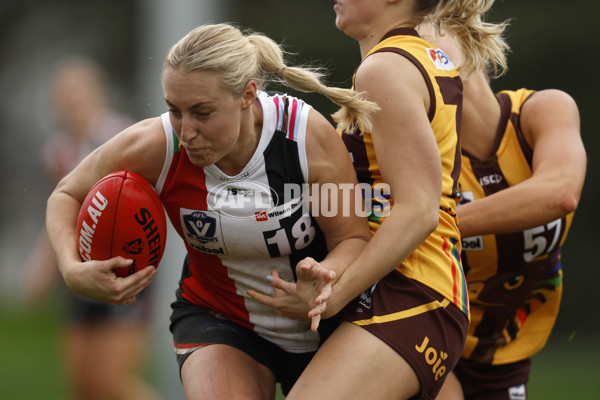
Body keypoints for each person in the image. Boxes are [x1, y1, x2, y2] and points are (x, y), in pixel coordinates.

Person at [45, 23, 377, 399]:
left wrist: (322, 288)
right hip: (222, 319)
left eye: (202, 112)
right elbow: (67, 193)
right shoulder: (158, 145)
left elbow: (352, 238)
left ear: (248, 94)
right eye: (174, 110)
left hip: (329, 322)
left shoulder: (304, 136)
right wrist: (72, 270)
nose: (186, 131)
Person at [263, 1, 510, 399]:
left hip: (413, 288)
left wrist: (332, 297)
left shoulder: (384, 69)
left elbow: (420, 210)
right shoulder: (420, 57)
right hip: (419, 287)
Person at [415, 24, 587, 400]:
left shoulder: (542, 110)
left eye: (420, 33)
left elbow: (559, 192)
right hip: (422, 333)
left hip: (501, 351)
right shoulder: (416, 151)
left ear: (465, 35)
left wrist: (427, 221)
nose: (407, 54)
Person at [22, 56, 161, 400]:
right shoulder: (58, 150)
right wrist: (43, 267)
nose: (71, 104)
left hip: (125, 271)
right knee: (83, 388)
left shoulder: (121, 137)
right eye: (64, 97)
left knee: (110, 384)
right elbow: (64, 213)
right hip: (82, 281)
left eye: (77, 94)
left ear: (97, 95)